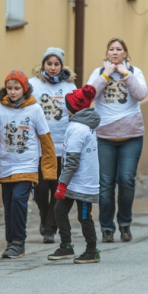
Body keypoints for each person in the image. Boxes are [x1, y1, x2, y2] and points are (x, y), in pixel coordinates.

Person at [0, 70, 57, 258]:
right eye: (9, 88)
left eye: (17, 88)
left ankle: (19, 241)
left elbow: (46, 141)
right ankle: (10, 241)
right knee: (8, 205)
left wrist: (48, 170)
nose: (13, 92)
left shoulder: (35, 109)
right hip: (7, 166)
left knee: (18, 201)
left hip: (27, 165)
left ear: (25, 89)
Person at [86, 38, 148, 243]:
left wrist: (126, 74)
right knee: (105, 184)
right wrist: (105, 75)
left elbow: (141, 94)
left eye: (119, 49)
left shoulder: (134, 72)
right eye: (111, 49)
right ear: (106, 53)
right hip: (104, 137)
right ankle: (106, 227)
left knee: (126, 180)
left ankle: (125, 224)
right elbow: (88, 96)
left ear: (125, 54)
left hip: (131, 136)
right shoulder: (98, 73)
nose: (114, 52)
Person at [48, 84, 101, 264]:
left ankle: (92, 250)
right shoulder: (82, 125)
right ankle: (66, 246)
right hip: (73, 181)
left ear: (72, 107)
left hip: (82, 183)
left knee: (84, 216)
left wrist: (61, 185)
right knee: (59, 211)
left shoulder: (78, 129)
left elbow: (72, 160)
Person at [29, 47, 77, 244]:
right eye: (49, 64)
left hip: (62, 146)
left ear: (62, 65)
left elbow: (76, 112)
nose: (52, 68)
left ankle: (50, 228)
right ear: (43, 65)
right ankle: (44, 214)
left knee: (58, 189)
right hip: (40, 148)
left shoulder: (69, 87)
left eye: (56, 64)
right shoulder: (32, 85)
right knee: (40, 189)